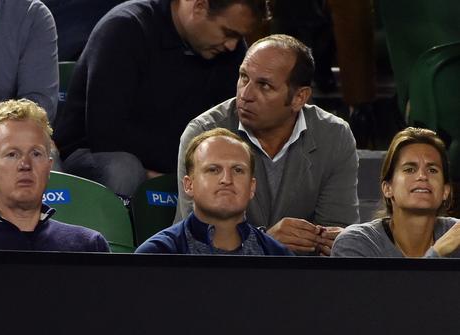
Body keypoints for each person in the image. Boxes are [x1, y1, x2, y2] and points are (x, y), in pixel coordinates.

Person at [53, 0, 262, 197]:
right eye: (227, 33)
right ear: (199, 6)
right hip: (94, 155)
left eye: (239, 37)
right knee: (124, 169)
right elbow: (107, 133)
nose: (232, 46)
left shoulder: (228, 51)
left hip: (179, 161)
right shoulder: (126, 28)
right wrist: (180, 167)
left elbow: (229, 129)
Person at [176, 34, 359, 255]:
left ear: (299, 98)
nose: (245, 94)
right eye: (244, 77)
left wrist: (327, 240)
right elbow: (199, 236)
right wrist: (265, 242)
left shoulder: (334, 136)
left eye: (264, 85)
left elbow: (336, 235)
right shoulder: (205, 134)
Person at [0, 99, 110, 252]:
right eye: (12, 154)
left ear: (49, 166)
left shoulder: (89, 247)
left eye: (36, 154)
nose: (25, 165)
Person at [136, 128, 291, 255]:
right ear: (189, 185)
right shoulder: (156, 255)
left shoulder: (278, 257)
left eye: (237, 170)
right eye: (213, 170)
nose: (226, 179)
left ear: (252, 187)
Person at [332, 128, 460, 258]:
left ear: (445, 191)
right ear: (388, 188)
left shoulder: (457, 237)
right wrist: (436, 253)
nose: (422, 176)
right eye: (410, 169)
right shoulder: (356, 243)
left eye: (432, 170)